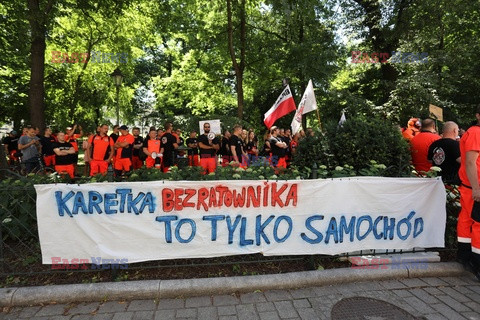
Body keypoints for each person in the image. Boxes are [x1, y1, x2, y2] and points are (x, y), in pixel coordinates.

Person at [457, 106, 480, 278]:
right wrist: (477, 188)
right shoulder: (476, 133)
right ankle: (476, 263)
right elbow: (471, 163)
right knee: (478, 224)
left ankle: (466, 259)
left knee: (466, 221)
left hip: (470, 187)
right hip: (474, 187)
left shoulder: (472, 132)